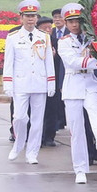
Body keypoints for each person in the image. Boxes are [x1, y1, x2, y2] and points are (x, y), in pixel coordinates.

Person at [58, 3, 97, 184]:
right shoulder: (63, 42)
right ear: (66, 22)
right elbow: (72, 62)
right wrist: (95, 60)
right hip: (73, 84)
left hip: (90, 82)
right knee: (77, 129)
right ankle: (80, 168)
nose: (75, 25)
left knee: (94, 109)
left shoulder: (92, 39)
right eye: (71, 21)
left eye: (78, 21)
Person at [3, 0, 55, 164]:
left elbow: (49, 62)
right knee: (19, 117)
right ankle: (18, 145)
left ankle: (32, 153)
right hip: (21, 83)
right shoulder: (13, 37)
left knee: (37, 121)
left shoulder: (44, 37)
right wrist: (8, 84)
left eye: (33, 16)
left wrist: (51, 82)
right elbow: (8, 62)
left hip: (39, 83)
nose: (30, 19)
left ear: (37, 18)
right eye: (27, 16)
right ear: (21, 18)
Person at [36, 16, 60, 147]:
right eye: (44, 28)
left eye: (49, 28)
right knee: (37, 111)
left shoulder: (57, 42)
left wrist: (54, 56)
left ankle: (50, 137)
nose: (47, 30)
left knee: (52, 109)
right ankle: (37, 136)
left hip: (52, 81)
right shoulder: (35, 42)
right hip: (38, 81)